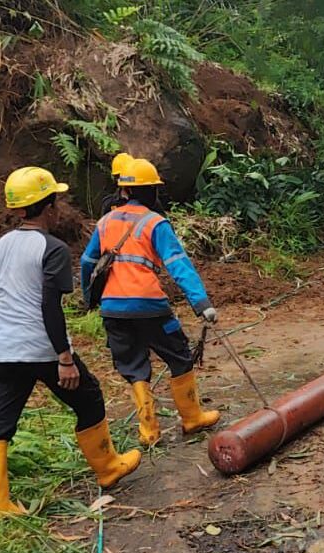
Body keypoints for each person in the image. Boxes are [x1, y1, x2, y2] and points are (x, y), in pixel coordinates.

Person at [0, 167, 141, 520]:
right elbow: (48, 304)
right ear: (48, 207)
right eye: (54, 201)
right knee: (88, 398)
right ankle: (108, 468)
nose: (57, 208)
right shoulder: (52, 248)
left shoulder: (1, 246)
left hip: (5, 351)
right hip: (42, 349)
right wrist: (64, 357)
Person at [80, 158, 220, 446]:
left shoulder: (105, 222)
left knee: (133, 366)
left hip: (113, 309)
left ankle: (149, 431)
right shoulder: (155, 223)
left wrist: (89, 296)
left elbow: (87, 261)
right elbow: (178, 264)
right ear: (152, 192)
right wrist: (201, 302)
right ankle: (192, 418)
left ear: (124, 191)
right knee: (179, 355)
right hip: (150, 305)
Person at [99, 152, 133, 217]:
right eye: (120, 176)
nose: (125, 179)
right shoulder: (109, 203)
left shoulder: (146, 201)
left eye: (127, 175)